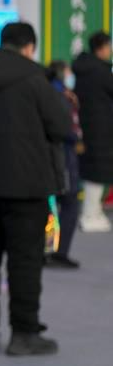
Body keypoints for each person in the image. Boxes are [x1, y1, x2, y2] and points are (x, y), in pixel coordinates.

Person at [0, 22, 70, 356]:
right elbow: (61, 126)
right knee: (25, 261)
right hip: (27, 184)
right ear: (29, 47)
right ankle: (23, 333)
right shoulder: (35, 79)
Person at [72, 31, 113, 232]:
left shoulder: (83, 69)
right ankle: (90, 214)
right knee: (96, 171)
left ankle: (92, 211)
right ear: (102, 47)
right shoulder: (101, 71)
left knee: (92, 169)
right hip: (100, 128)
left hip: (88, 126)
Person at [45, 60, 82, 268]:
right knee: (69, 203)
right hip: (63, 157)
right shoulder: (63, 98)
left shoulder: (46, 92)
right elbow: (67, 130)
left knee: (50, 206)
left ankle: (47, 250)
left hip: (49, 157)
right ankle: (58, 252)